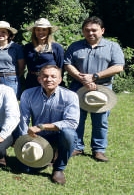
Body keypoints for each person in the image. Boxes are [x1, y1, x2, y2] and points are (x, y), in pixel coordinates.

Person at [63, 16, 124, 162]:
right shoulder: (75, 46)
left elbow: (118, 66)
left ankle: (98, 149)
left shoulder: (112, 47)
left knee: (101, 121)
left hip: (102, 88)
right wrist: (82, 78)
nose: (90, 33)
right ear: (83, 31)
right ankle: (77, 146)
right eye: (87, 30)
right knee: (77, 118)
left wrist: (95, 76)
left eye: (94, 30)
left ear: (102, 30)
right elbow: (67, 64)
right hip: (78, 86)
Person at [18, 65, 79, 185]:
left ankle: (58, 168)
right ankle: (46, 156)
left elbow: (72, 122)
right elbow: (23, 120)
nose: (49, 79)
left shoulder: (70, 96)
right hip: (38, 138)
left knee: (69, 134)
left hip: (59, 135)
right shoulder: (28, 94)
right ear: (39, 79)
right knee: (26, 169)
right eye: (45, 76)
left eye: (53, 76)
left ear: (60, 79)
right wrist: (25, 140)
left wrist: (42, 126)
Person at [23, 18, 65, 92]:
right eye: (38, 30)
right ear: (34, 31)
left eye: (44, 30)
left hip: (49, 81)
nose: (41, 32)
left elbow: (60, 67)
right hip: (32, 80)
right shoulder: (28, 47)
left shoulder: (56, 47)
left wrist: (57, 81)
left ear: (48, 31)